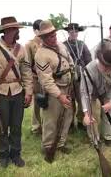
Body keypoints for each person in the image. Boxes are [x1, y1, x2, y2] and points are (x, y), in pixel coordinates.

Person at [0, 16, 33, 168]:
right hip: (0, 92)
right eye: (15, 29)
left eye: (17, 29)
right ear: (7, 30)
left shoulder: (21, 49)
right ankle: (3, 155)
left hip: (18, 92)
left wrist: (28, 92)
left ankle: (16, 153)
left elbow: (27, 71)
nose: (17, 32)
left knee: (16, 126)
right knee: (2, 127)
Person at [35, 20, 74, 162]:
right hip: (54, 92)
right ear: (43, 38)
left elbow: (69, 62)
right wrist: (60, 95)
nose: (53, 37)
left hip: (68, 86)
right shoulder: (40, 54)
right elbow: (46, 80)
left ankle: (61, 143)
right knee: (51, 120)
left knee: (67, 116)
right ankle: (48, 146)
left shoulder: (62, 46)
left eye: (54, 34)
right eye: (49, 36)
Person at [81, 47, 111, 146]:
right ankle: (94, 139)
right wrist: (86, 113)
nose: (109, 69)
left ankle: (108, 138)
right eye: (106, 66)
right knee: (92, 116)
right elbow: (85, 93)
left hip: (107, 91)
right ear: (100, 62)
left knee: (109, 113)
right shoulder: (88, 70)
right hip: (92, 94)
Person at [63, 23, 92, 130]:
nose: (73, 33)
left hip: (81, 77)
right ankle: (69, 123)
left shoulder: (82, 44)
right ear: (68, 32)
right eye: (71, 31)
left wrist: (86, 71)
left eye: (75, 31)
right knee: (69, 101)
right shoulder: (63, 45)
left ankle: (81, 121)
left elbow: (89, 60)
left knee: (81, 100)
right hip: (68, 77)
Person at [25, 19, 43, 135]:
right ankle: (36, 127)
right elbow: (27, 64)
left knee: (47, 102)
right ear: (35, 31)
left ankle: (46, 124)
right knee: (37, 102)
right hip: (36, 78)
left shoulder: (47, 43)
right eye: (40, 29)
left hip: (47, 78)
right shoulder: (29, 45)